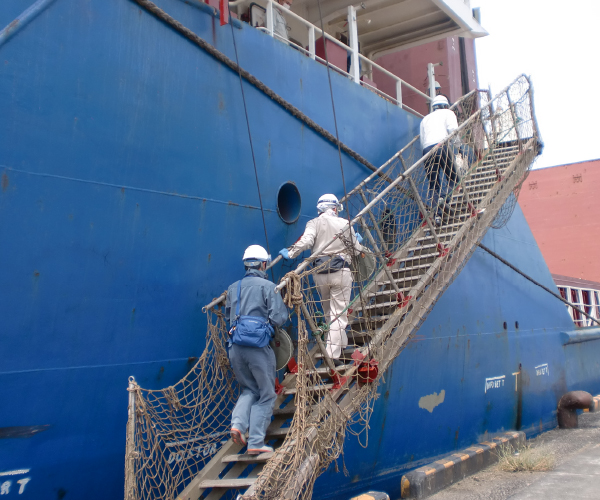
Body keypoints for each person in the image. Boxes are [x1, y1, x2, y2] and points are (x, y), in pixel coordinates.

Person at [279, 194, 363, 364]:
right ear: (334, 208)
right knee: (339, 314)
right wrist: (359, 243)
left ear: (319, 209)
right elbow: (355, 250)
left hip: (320, 273)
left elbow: (307, 241)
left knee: (328, 313)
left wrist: (291, 252)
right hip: (341, 272)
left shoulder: (314, 223)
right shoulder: (345, 224)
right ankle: (331, 355)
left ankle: (340, 343)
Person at [226, 245, 288, 455]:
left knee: (249, 389)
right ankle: (255, 442)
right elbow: (280, 317)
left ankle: (238, 424)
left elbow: (229, 315)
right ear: (263, 264)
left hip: (235, 346)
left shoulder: (234, 287)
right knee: (267, 394)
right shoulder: (268, 286)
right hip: (258, 347)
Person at [420, 95, 462, 219]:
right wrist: (459, 148)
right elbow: (453, 130)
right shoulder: (448, 113)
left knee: (434, 184)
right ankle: (444, 197)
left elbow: (422, 140)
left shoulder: (425, 119)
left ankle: (437, 215)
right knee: (454, 179)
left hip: (427, 151)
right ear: (445, 105)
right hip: (442, 146)